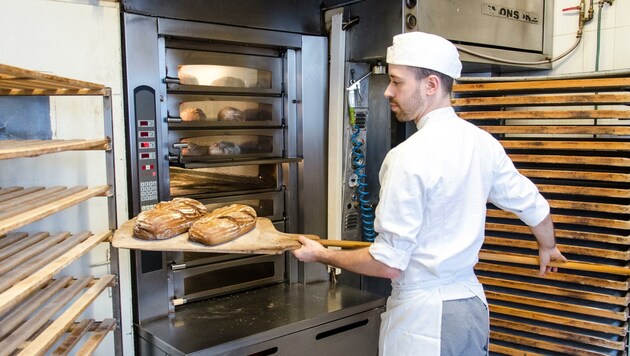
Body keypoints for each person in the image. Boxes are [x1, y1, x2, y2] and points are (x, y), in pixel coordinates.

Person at [291, 31, 568, 356]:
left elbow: (388, 264)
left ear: (431, 85)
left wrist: (321, 254)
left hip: (425, 321)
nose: (388, 92)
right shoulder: (482, 143)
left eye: (397, 82)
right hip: (470, 309)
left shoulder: (408, 157)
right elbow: (535, 207)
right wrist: (548, 246)